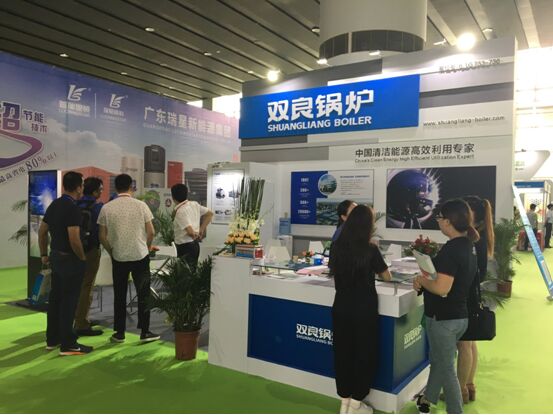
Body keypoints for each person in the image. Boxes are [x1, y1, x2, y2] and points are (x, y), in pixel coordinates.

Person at [413, 199, 478, 414]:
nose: (438, 221)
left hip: (444, 318)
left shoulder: (452, 249)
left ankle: (455, 410)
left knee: (447, 368)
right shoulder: (468, 245)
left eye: (440, 218)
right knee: (439, 361)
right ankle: (428, 399)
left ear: (448, 221)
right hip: (458, 316)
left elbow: (442, 288)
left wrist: (422, 281)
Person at [329, 205, 392, 414]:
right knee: (365, 353)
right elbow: (387, 276)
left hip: (341, 307)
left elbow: (332, 271)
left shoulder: (336, 247)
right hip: (364, 309)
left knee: (343, 353)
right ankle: (356, 403)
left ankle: (344, 401)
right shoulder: (370, 249)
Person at [98, 174, 160, 344]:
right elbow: (151, 232)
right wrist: (146, 247)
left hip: (118, 256)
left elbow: (102, 236)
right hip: (140, 255)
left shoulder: (106, 208)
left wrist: (111, 251)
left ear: (115, 188)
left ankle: (119, 333)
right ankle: (145, 331)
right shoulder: (141, 206)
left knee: (119, 295)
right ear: (131, 187)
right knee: (143, 293)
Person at [38, 171, 93, 356]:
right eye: (82, 185)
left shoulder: (55, 204)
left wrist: (44, 254)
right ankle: (68, 344)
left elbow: (42, 231)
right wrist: (82, 258)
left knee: (56, 300)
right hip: (70, 260)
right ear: (78, 188)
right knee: (69, 301)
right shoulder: (72, 208)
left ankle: (52, 339)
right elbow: (74, 238)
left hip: (55, 257)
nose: (82, 188)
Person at [456, 196, 495, 403]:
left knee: (464, 344)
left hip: (466, 296)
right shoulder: (481, 234)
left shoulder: (473, 238)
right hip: (472, 294)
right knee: (470, 343)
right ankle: (469, 386)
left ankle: (460, 390)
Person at [74, 177, 104, 336]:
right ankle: (81, 324)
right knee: (87, 286)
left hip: (74, 250)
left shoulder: (75, 204)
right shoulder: (97, 208)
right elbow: (100, 231)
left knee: (76, 285)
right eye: (100, 189)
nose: (102, 192)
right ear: (94, 192)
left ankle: (78, 317)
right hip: (91, 250)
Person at [171, 183, 213, 268]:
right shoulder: (194, 204)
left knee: (185, 273)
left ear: (173, 197)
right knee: (192, 271)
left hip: (185, 247)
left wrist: (196, 233)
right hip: (194, 246)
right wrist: (201, 229)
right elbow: (210, 214)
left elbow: (190, 232)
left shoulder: (180, 211)